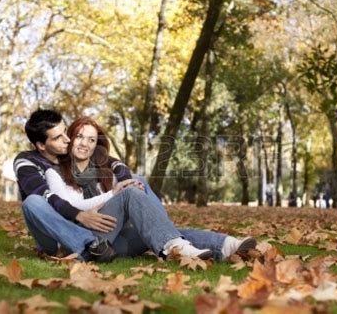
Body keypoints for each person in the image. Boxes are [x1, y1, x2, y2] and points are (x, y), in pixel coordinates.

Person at [14, 110, 256, 263]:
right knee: (34, 202)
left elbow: (114, 164)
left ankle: (225, 246)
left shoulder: (92, 161)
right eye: (63, 137)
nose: (68, 140)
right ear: (40, 145)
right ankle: (91, 246)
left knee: (143, 196)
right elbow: (50, 198)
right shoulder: (41, 166)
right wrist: (88, 210)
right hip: (70, 234)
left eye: (67, 133)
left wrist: (121, 180)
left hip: (106, 238)